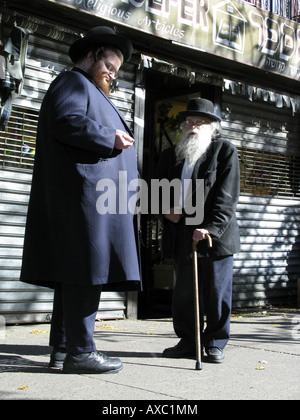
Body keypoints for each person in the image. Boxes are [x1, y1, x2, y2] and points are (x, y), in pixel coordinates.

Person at [20, 27, 141, 374]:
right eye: (109, 66)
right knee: (88, 273)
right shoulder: (72, 82)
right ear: (90, 56)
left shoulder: (89, 87)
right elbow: (66, 120)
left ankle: (62, 348)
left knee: (75, 275)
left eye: (117, 71)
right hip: (86, 201)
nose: (112, 74)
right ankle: (81, 352)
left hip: (95, 200)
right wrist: (110, 137)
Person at [157, 98, 240, 363]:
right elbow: (156, 189)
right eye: (189, 122)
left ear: (212, 126)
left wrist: (210, 228)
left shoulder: (224, 150)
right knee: (184, 296)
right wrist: (163, 209)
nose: (193, 126)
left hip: (215, 237)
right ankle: (188, 342)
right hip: (182, 234)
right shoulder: (171, 154)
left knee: (216, 294)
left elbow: (227, 197)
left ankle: (215, 342)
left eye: (200, 122)